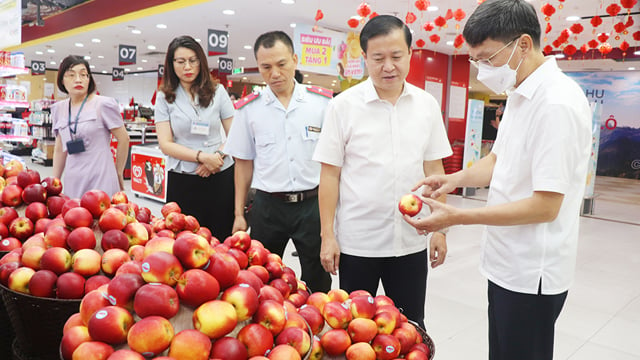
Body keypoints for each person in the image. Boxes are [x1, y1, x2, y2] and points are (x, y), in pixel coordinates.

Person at [403, 1, 592, 359]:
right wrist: (450, 180)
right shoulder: (521, 95)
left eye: (487, 58)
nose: (481, 69)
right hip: (506, 263)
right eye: (475, 60)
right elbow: (496, 160)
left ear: (523, 44)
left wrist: (457, 217)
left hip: (531, 272)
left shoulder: (556, 104)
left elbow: (547, 206)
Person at [312, 15, 452, 329]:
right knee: (356, 330)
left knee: (411, 326)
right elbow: (330, 175)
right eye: (378, 58)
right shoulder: (343, 106)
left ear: (410, 55)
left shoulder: (426, 105)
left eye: (396, 57)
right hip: (358, 241)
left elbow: (434, 169)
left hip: (410, 239)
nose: (388, 66)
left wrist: (441, 228)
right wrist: (327, 236)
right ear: (364, 58)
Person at [224, 31, 332, 293]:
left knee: (318, 278)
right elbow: (243, 163)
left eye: (281, 64)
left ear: (294, 60)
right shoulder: (249, 109)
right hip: (268, 207)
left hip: (313, 206)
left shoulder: (322, 104)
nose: (275, 73)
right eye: (266, 67)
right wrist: (239, 214)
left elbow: (334, 164)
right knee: (260, 279)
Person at [155, 35, 236, 240]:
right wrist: (202, 157)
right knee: (184, 240)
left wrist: (216, 157)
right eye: (180, 62)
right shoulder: (165, 96)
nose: (187, 67)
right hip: (183, 177)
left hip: (220, 172)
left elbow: (236, 133)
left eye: (193, 60)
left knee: (221, 238)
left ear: (201, 61)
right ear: (171, 64)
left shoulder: (218, 92)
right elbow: (166, 144)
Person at [51, 55, 130, 199]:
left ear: (89, 79)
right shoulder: (58, 109)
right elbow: (59, 147)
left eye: (83, 74)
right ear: (62, 79)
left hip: (101, 176)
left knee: (102, 218)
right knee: (74, 217)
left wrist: (118, 171)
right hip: (73, 177)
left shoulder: (103, 104)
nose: (78, 79)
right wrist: (54, 182)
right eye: (71, 75)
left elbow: (124, 138)